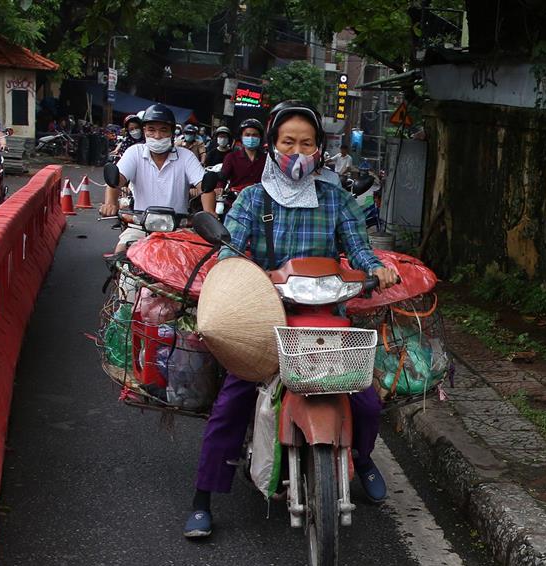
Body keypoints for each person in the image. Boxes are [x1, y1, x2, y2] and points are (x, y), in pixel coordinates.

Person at [183, 100, 399, 539]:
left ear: (319, 150)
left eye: (307, 143)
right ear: (271, 145)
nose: (297, 152)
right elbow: (231, 252)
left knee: (366, 401)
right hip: (265, 321)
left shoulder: (336, 199)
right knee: (232, 403)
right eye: (288, 142)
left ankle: (360, 457)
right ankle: (204, 496)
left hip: (325, 319)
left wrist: (373, 268)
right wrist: (234, 271)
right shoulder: (251, 199)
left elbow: (358, 249)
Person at [99, 103, 216, 253]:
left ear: (172, 133)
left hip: (178, 228)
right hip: (139, 226)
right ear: (144, 131)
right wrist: (110, 203)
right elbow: (116, 180)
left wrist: (209, 212)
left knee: (194, 262)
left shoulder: (186, 156)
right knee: (121, 253)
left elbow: (204, 186)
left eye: (163, 130)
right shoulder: (134, 152)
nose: (157, 136)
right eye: (151, 130)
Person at [219, 118, 266, 190]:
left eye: (255, 135)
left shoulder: (266, 159)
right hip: (236, 198)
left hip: (259, 198)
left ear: (260, 137)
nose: (251, 138)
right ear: (241, 137)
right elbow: (222, 179)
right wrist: (219, 188)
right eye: (247, 135)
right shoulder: (231, 157)